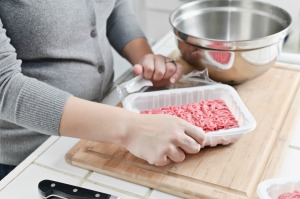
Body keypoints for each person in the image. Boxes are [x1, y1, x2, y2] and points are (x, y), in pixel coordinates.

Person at [0, 0, 205, 180]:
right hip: (30, 155)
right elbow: (5, 86)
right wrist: (132, 129)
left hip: (103, 126)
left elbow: (113, 6)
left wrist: (146, 61)